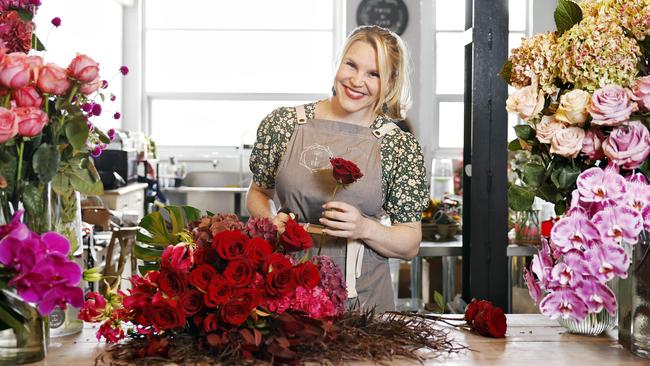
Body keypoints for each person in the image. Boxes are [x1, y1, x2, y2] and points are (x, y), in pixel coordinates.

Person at [247, 25, 429, 312]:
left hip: (363, 303)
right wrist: (269, 220)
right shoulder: (284, 124)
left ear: (390, 82)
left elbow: (409, 244)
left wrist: (364, 227)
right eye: (351, 65)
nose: (357, 80)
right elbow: (259, 192)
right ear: (338, 62)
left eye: (374, 73)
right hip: (283, 291)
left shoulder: (398, 146)